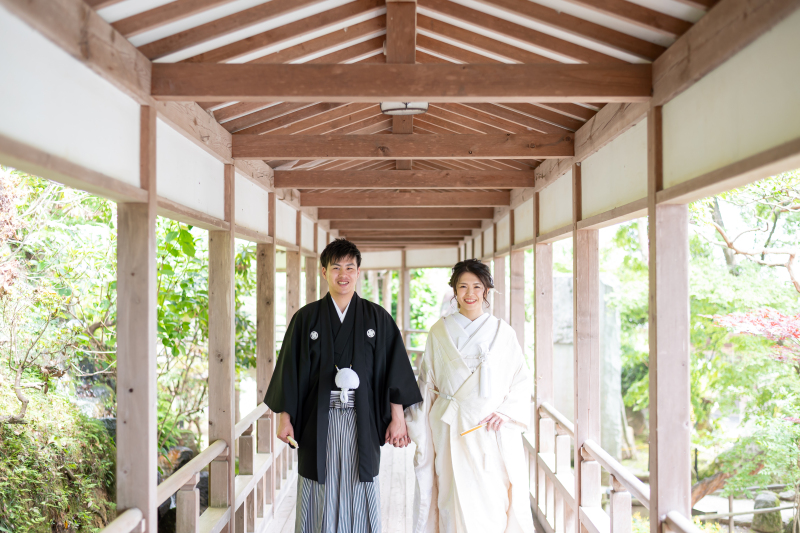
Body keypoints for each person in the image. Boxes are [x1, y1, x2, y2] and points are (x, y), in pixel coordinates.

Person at [265, 238, 422, 533]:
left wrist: (398, 418)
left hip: (362, 417)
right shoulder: (305, 319)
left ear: (358, 272)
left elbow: (394, 369)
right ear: (324, 271)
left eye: (350, 267)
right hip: (316, 420)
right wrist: (284, 418)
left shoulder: (378, 318)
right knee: (317, 480)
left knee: (359, 481)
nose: (343, 274)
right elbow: (289, 371)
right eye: (336, 267)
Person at [405, 259, 534, 533]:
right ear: (454, 290)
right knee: (451, 497)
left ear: (486, 290)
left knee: (493, 500)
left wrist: (507, 412)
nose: (470, 293)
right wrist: (406, 422)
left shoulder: (503, 333)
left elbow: (521, 380)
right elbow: (426, 382)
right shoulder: (439, 332)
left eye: (477, 286)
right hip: (449, 429)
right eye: (462, 286)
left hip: (489, 429)